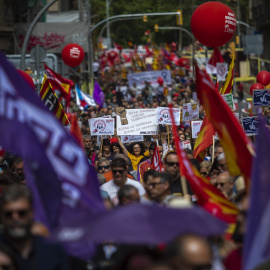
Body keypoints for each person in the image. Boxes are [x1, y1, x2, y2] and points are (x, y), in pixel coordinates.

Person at [0, 185, 68, 270]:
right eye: (9, 214)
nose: (15, 218)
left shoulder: (52, 250)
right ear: (2, 216)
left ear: (31, 213)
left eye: (21, 213)